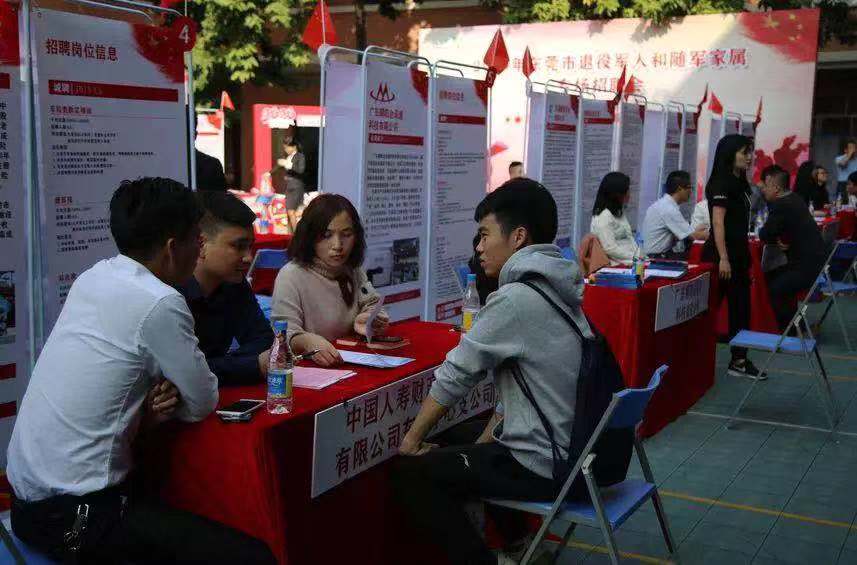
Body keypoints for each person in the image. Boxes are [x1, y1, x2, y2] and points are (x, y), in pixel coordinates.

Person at [7, 178, 275, 564]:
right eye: (196, 241)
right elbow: (202, 401)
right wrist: (166, 402)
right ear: (172, 248)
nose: (200, 251)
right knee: (252, 556)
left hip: (27, 500)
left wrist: (150, 409)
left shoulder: (95, 276)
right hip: (77, 515)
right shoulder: (161, 302)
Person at [393, 178, 591, 565]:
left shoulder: (516, 298)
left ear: (518, 237)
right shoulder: (557, 287)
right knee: (459, 434)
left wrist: (412, 440)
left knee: (410, 472)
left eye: (484, 235)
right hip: (574, 447)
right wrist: (485, 437)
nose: (479, 247)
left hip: (544, 461)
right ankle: (521, 546)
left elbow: (457, 372)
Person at [271, 194, 388, 367]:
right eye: (327, 235)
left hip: (349, 363)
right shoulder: (291, 275)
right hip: (309, 370)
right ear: (310, 236)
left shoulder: (353, 270)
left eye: (346, 235)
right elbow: (284, 334)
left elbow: (372, 303)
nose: (338, 245)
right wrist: (307, 341)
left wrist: (370, 319)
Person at [178, 191, 273, 386]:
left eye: (250, 246)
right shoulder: (171, 295)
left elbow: (264, 340)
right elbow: (184, 373)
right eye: (238, 246)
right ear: (201, 245)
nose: (248, 257)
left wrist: (221, 367)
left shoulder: (234, 284)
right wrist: (249, 365)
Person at [702, 134, 764, 379]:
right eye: (744, 152)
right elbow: (718, 223)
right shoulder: (720, 182)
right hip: (721, 257)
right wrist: (723, 258)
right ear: (730, 154)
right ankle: (691, 357)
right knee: (707, 311)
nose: (749, 157)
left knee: (741, 310)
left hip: (739, 255)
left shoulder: (741, 183)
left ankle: (739, 360)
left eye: (750, 152)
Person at [759, 166, 827, 331]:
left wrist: (773, 238)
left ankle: (787, 331)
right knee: (773, 276)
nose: (763, 190)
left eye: (765, 186)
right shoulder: (794, 198)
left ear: (776, 188)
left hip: (806, 267)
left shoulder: (781, 205)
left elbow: (765, 234)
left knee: (774, 287)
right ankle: (797, 326)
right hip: (815, 262)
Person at [642, 170, 708, 258]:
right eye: (689, 187)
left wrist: (695, 230)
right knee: (704, 256)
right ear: (679, 189)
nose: (691, 191)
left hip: (657, 254)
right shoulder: (668, 209)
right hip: (658, 257)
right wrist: (718, 236)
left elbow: (684, 233)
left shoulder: (663, 204)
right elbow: (694, 236)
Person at [590, 171, 639, 265]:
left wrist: (640, 255)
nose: (629, 193)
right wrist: (635, 257)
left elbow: (629, 238)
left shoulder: (618, 212)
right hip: (615, 265)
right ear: (617, 194)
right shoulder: (603, 216)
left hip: (630, 260)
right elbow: (610, 249)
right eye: (627, 190)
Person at [272, 140, 306, 211]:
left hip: (296, 186)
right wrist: (269, 173)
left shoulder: (300, 156)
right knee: (289, 210)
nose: (285, 150)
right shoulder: (288, 157)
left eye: (287, 148)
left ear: (294, 147)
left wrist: (288, 164)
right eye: (284, 148)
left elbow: (301, 170)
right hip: (289, 185)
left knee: (295, 210)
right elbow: (279, 166)